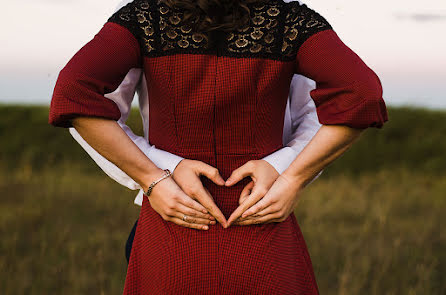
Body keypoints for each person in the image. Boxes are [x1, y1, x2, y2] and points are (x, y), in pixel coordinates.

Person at [48, 0, 388, 293]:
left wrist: (155, 177)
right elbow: (362, 94)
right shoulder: (291, 23)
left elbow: (72, 94)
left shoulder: (144, 20)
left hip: (172, 226)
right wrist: (290, 177)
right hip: (259, 224)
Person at [67, 0, 325, 265]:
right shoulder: (145, 14)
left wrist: (287, 173)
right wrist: (154, 177)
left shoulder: (284, 18)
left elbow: (317, 113)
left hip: (263, 213)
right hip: (171, 212)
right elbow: (85, 106)